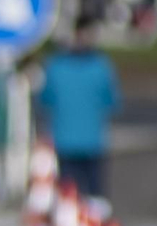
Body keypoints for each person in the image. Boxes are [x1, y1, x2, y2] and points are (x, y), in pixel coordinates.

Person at [37, 14, 122, 201]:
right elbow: (112, 102)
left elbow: (44, 100)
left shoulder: (55, 66)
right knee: (96, 198)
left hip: (64, 141)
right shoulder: (101, 66)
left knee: (67, 197)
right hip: (92, 142)